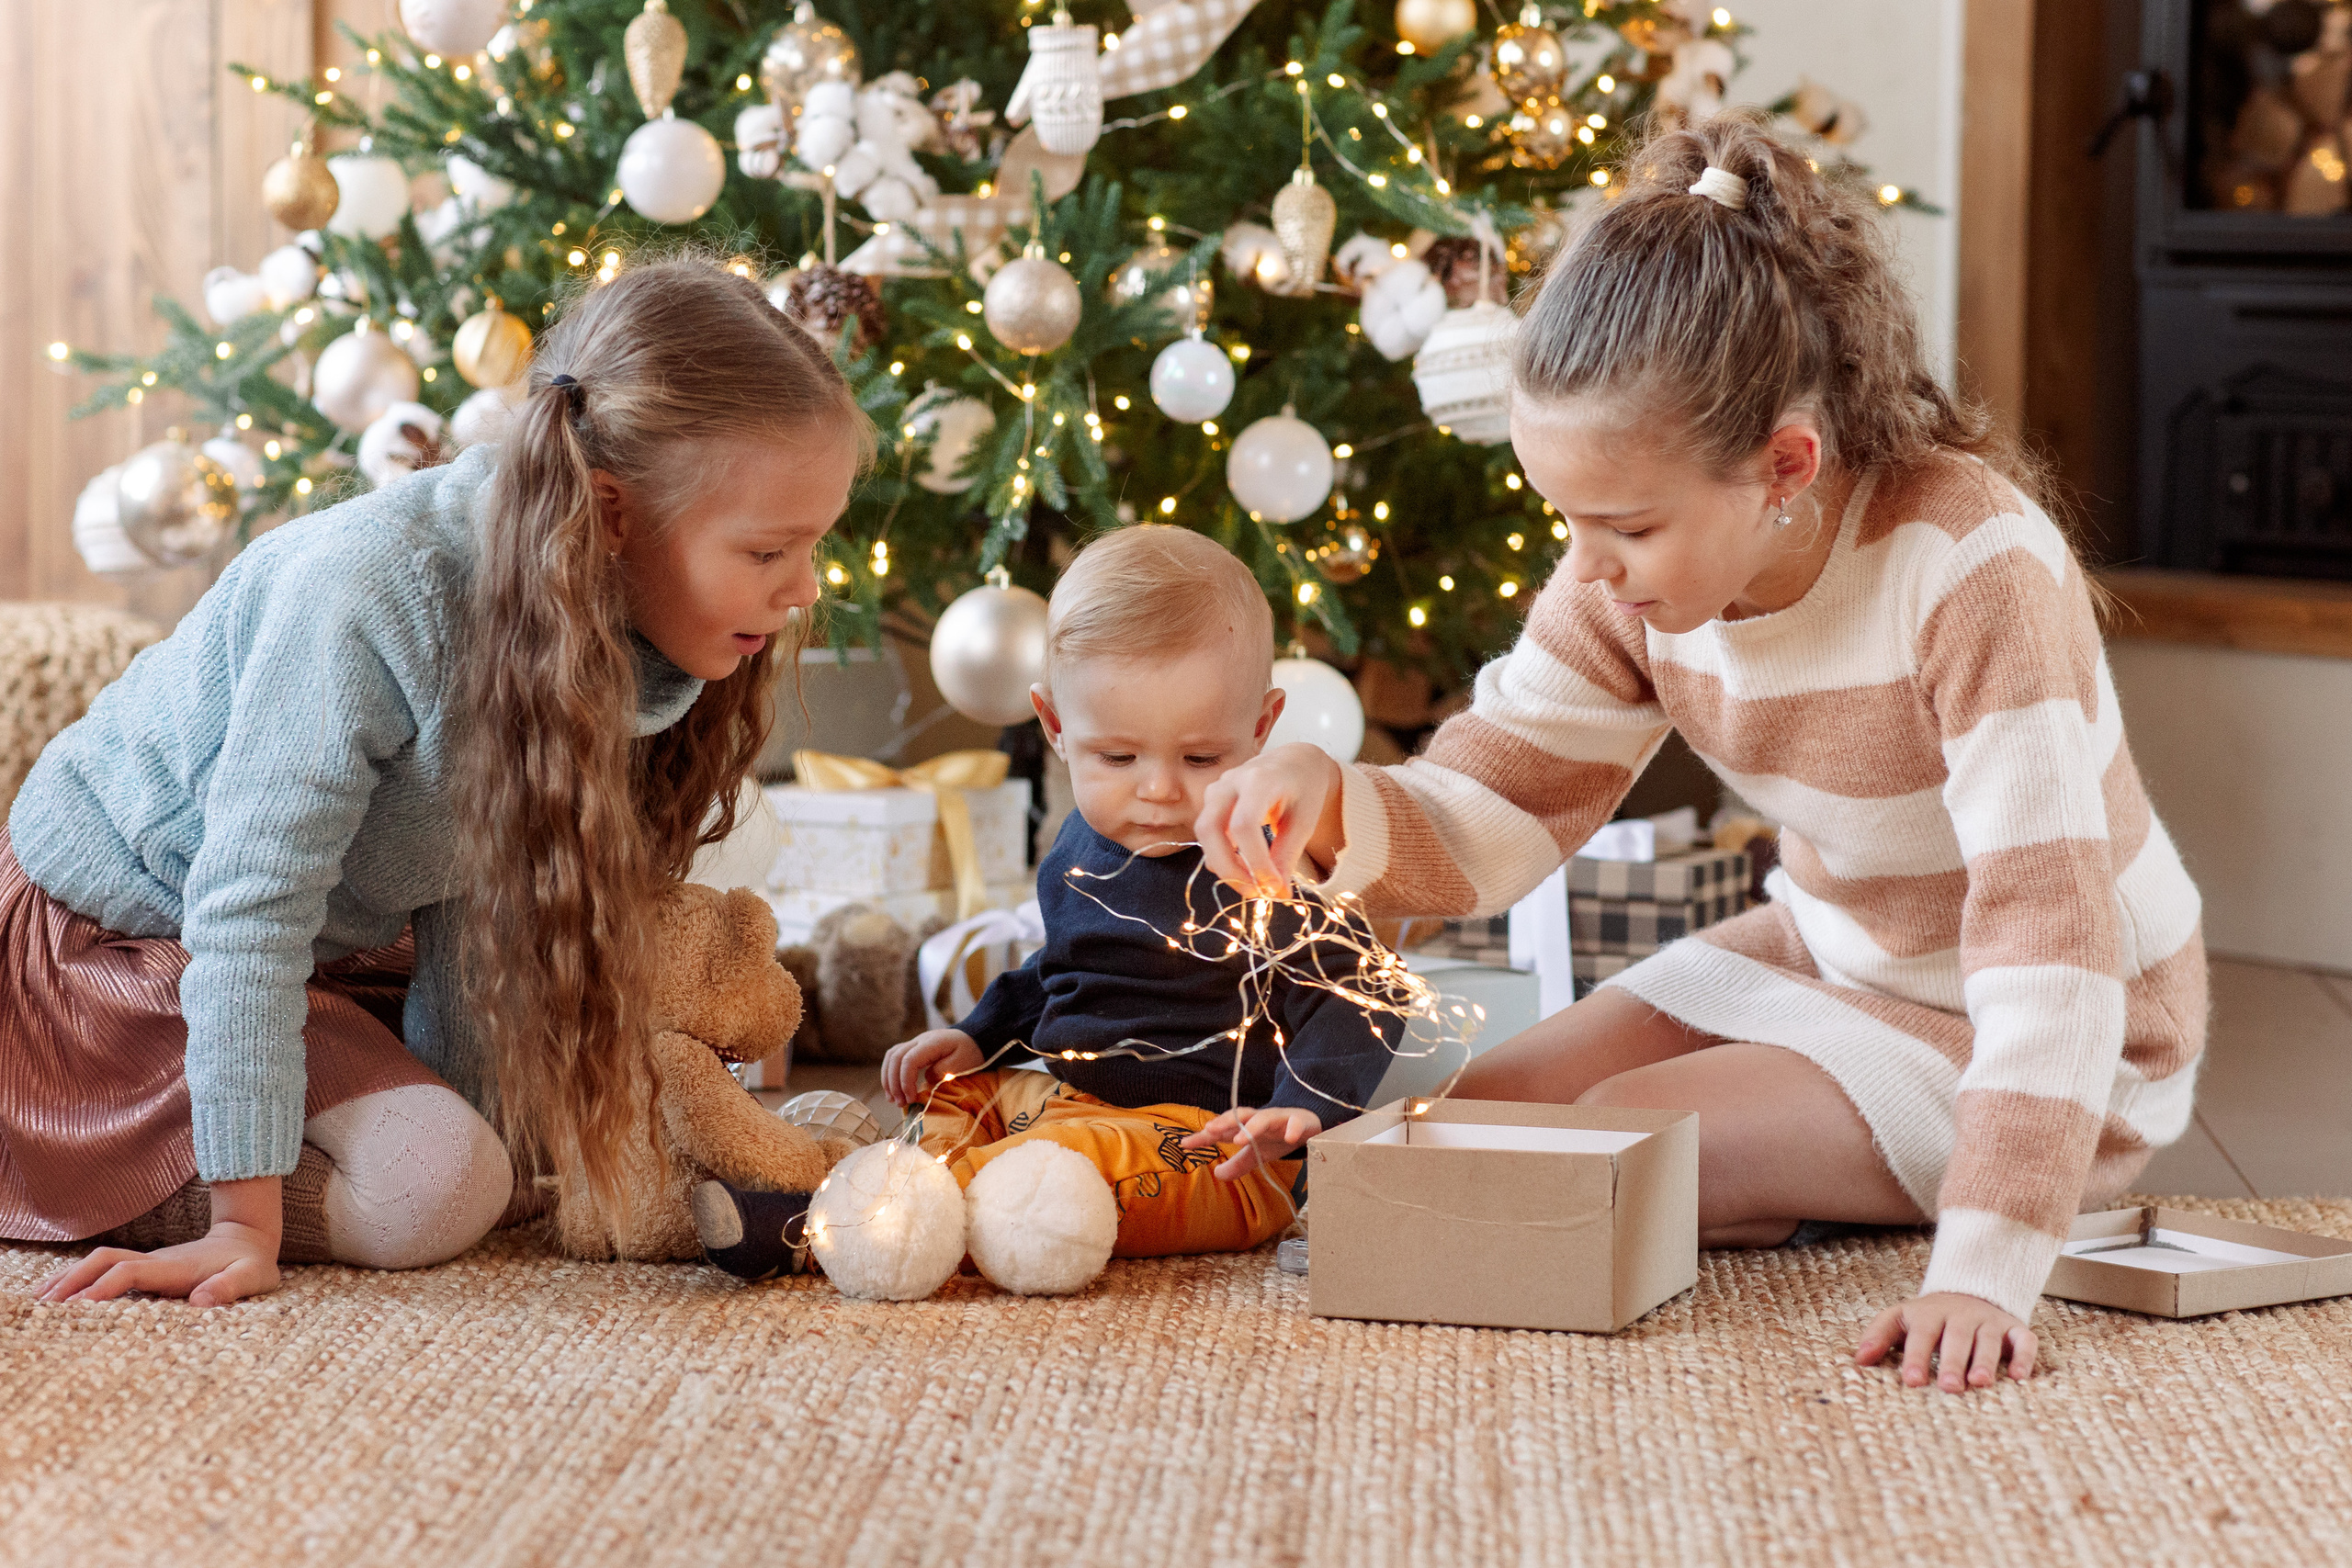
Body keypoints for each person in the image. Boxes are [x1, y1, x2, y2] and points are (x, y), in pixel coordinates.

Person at [1193, 115, 2206, 1394]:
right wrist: (1334, 796)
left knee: (1599, 1155)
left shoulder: (1971, 567)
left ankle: (1795, 1170)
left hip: (2060, 1027)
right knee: (1478, 1112)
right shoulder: (1624, 577)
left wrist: (1985, 1262)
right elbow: (1502, 792)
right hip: (1828, 950)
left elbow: (2052, 943)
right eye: (1567, 519)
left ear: (1786, 463)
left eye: (1624, 524)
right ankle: (1773, 1168)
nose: (1593, 563)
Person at [10, 258, 867, 1307]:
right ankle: (72, 1164)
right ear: (611, 512)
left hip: (320, 942)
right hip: (118, 947)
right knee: (441, 1186)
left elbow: (471, 886)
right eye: (772, 550)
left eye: (814, 544)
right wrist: (244, 1220)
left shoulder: (594, 616)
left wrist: (495, 1110)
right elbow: (246, 913)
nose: (803, 589)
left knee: (520, 1134)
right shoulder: (368, 596)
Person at [874, 526, 1398, 1262]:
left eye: (1200, 756)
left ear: (1261, 727)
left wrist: (1301, 1108)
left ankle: (927, 1207)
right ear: (1055, 725)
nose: (1157, 789)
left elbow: (1363, 990)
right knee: (955, 1094)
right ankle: (934, 1188)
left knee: (1076, 1162)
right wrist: (978, 1036)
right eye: (1117, 756)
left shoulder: (1269, 859)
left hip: (1209, 1145)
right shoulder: (1077, 847)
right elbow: (1063, 973)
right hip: (1072, 1103)